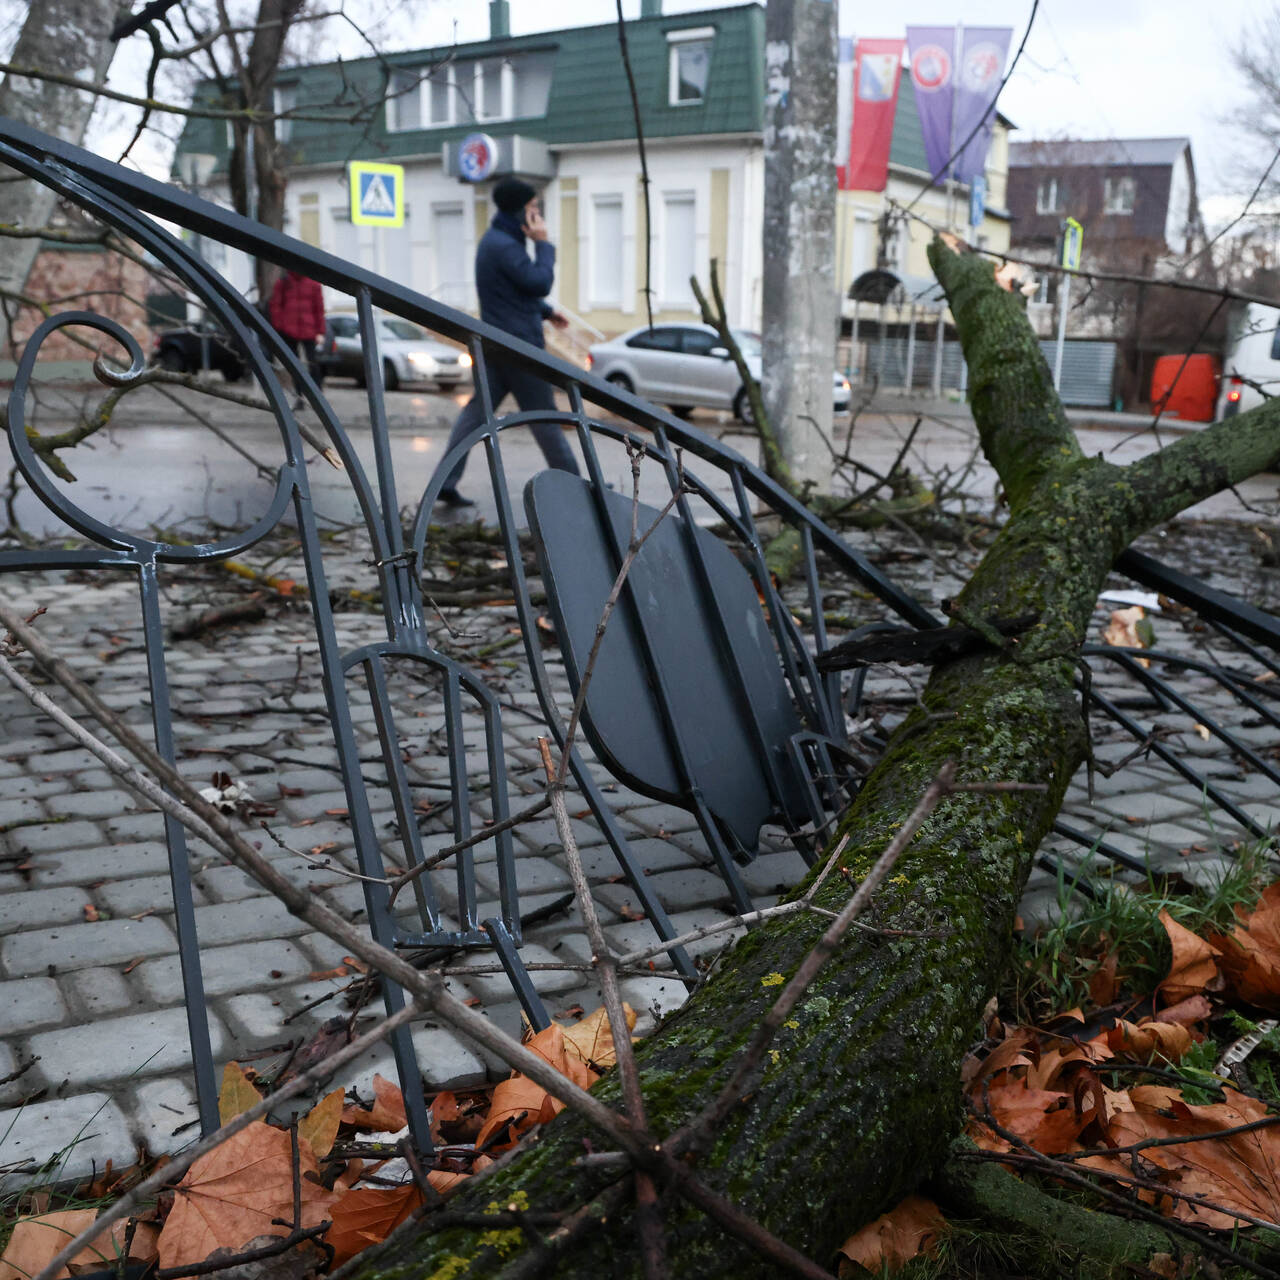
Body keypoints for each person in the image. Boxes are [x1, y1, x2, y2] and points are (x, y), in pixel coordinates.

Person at [437, 175, 580, 507]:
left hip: (497, 342)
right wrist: (544, 244)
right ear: (519, 211)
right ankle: (578, 490)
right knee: (544, 417)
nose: (537, 213)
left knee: (476, 414)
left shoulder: (498, 241)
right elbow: (538, 281)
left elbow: (513, 291)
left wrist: (545, 313)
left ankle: (446, 481)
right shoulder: (504, 245)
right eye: (532, 207)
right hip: (518, 348)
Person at [268, 268, 325, 410]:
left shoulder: (313, 285)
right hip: (289, 330)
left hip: (308, 330)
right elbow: (275, 306)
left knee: (313, 363)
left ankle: (317, 397)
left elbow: (319, 309)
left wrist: (320, 331)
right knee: (295, 365)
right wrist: (280, 326)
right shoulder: (284, 283)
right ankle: (299, 397)